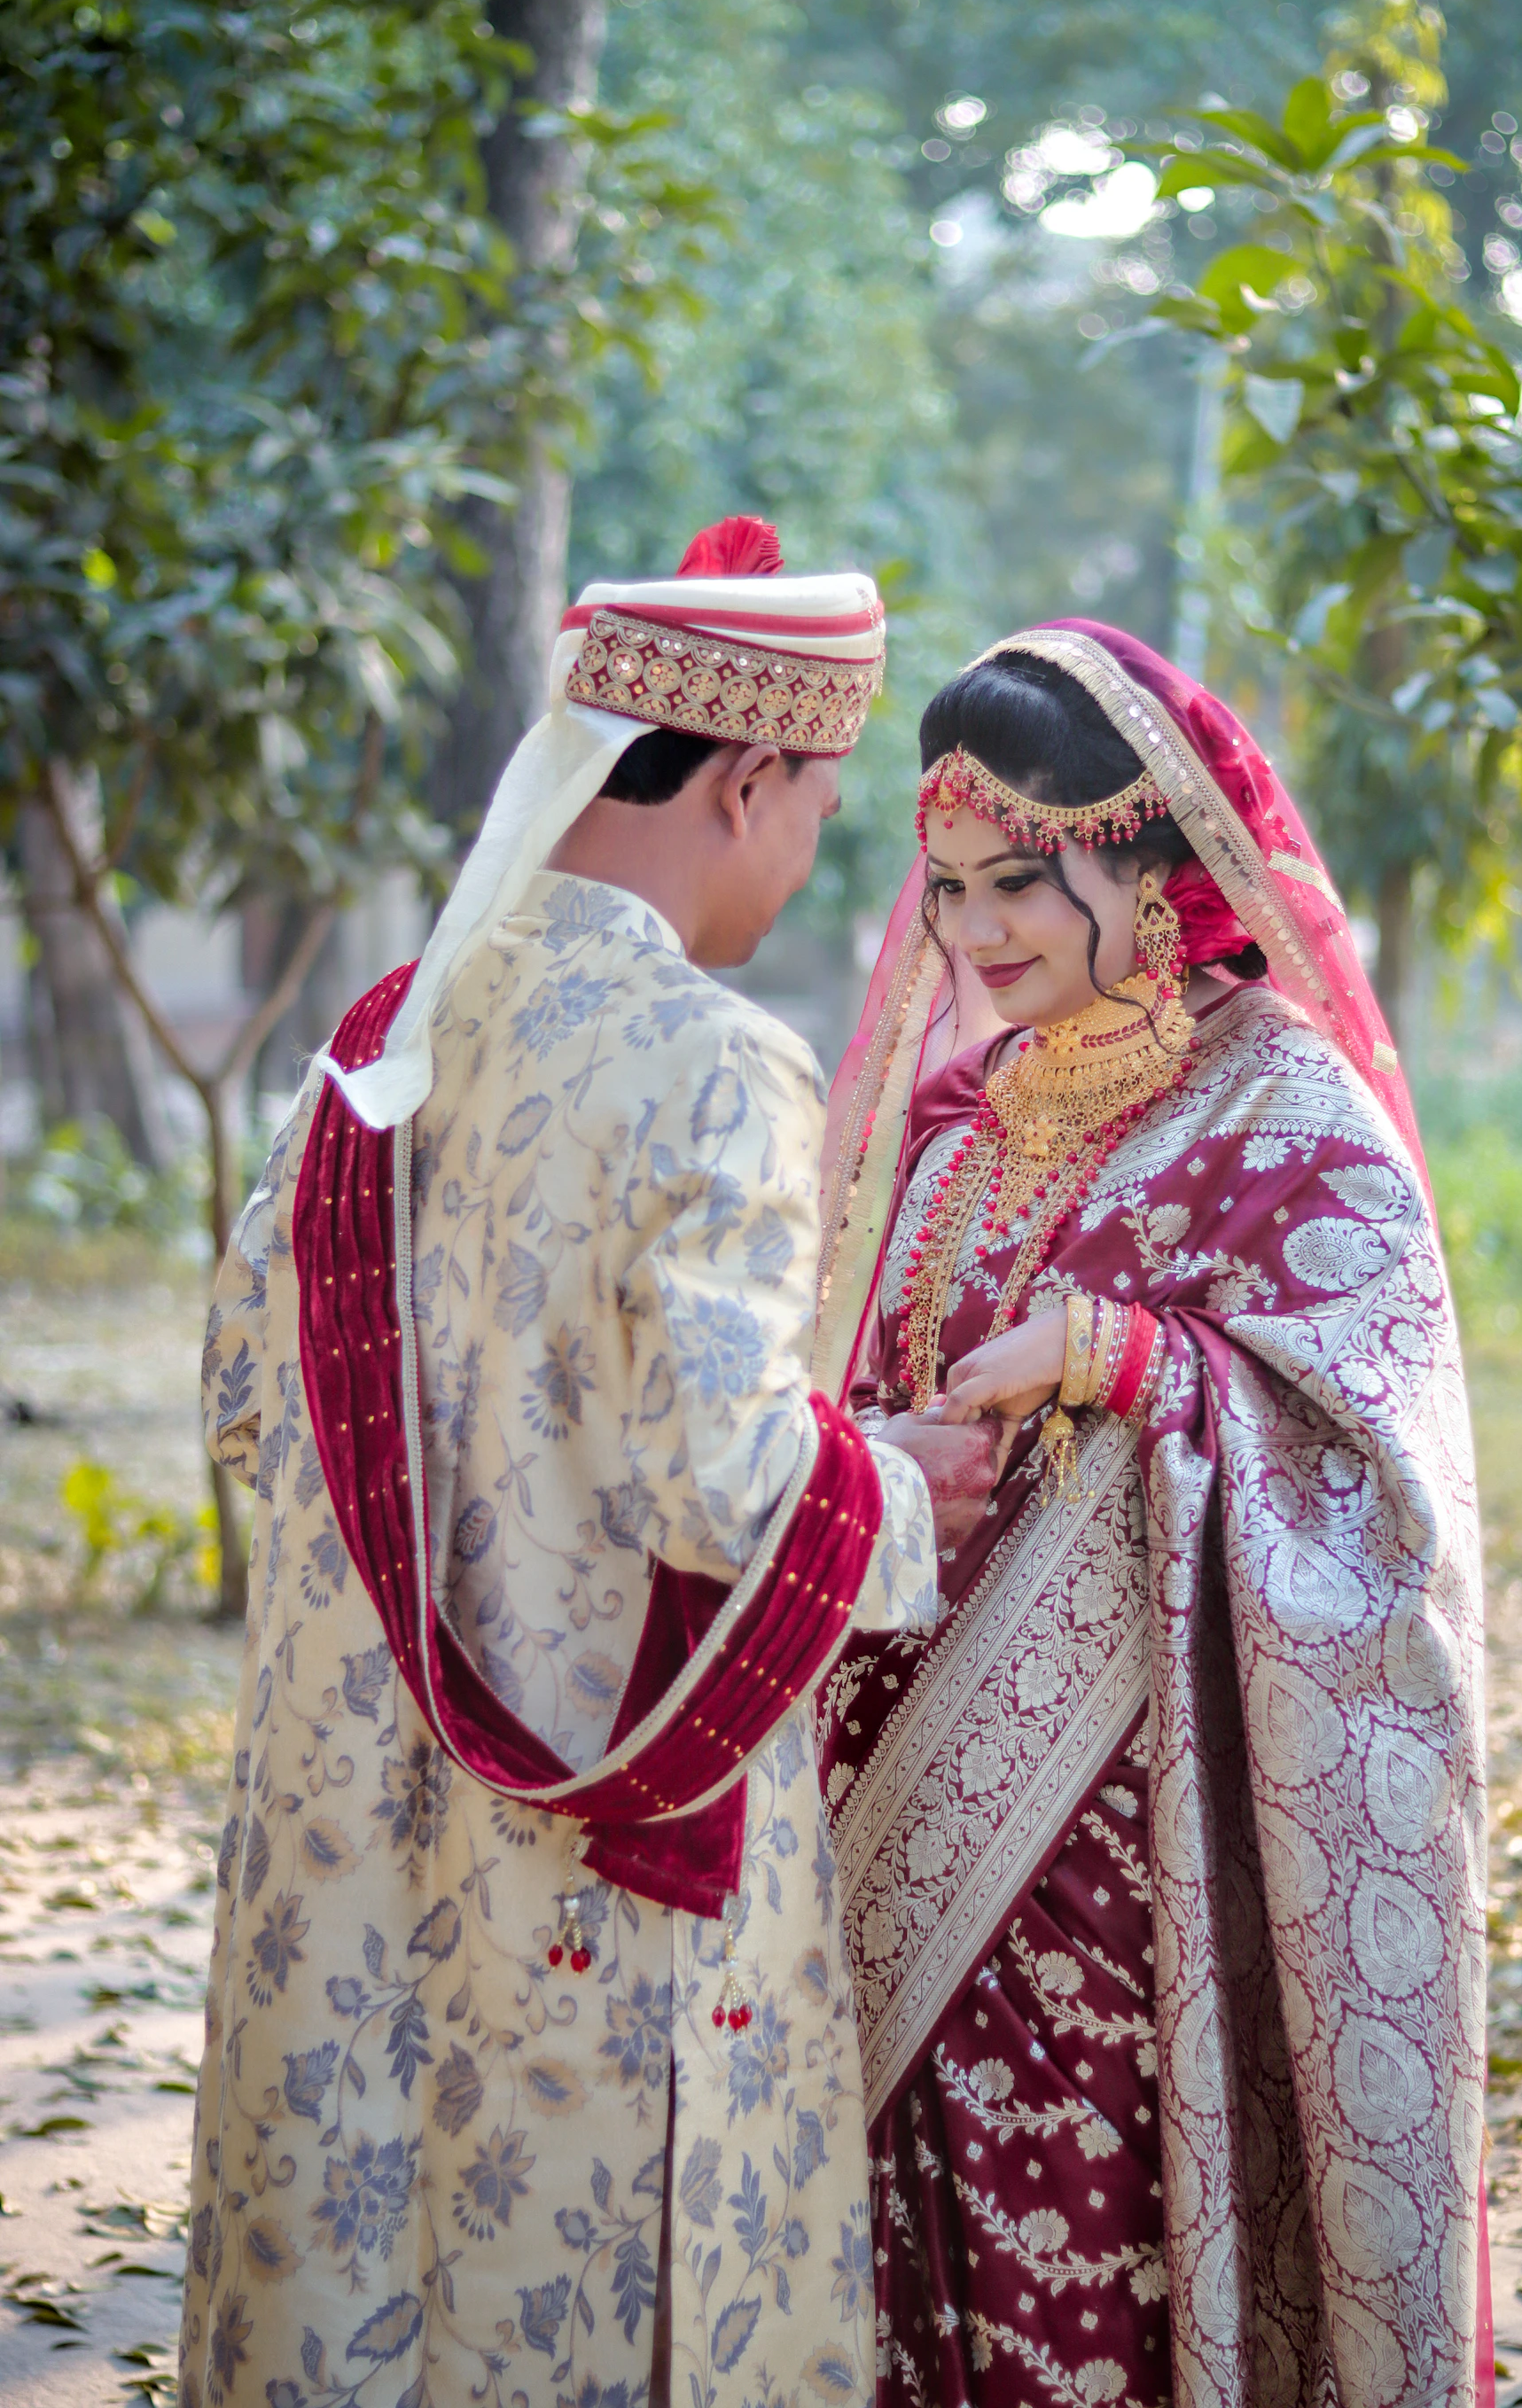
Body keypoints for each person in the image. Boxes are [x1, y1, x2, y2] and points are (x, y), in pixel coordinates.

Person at [181, 519, 1000, 2408]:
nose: (807, 868)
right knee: (587, 2286)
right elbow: (722, 1486)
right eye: (815, 810)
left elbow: (247, 1392)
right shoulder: (716, 1062)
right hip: (587, 1854)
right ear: (744, 780)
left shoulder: (378, 1044)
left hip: (343, 1818)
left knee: (361, 2253)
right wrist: (896, 1482)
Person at [814, 620, 1491, 2408]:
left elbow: (1380, 1476)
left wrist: (1128, 1358)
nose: (974, 936)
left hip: (1155, 1841)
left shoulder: (1292, 1116)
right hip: (902, 1814)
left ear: (1155, 856)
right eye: (948, 887)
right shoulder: (954, 1138)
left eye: (1024, 882)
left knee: (1102, 2251)